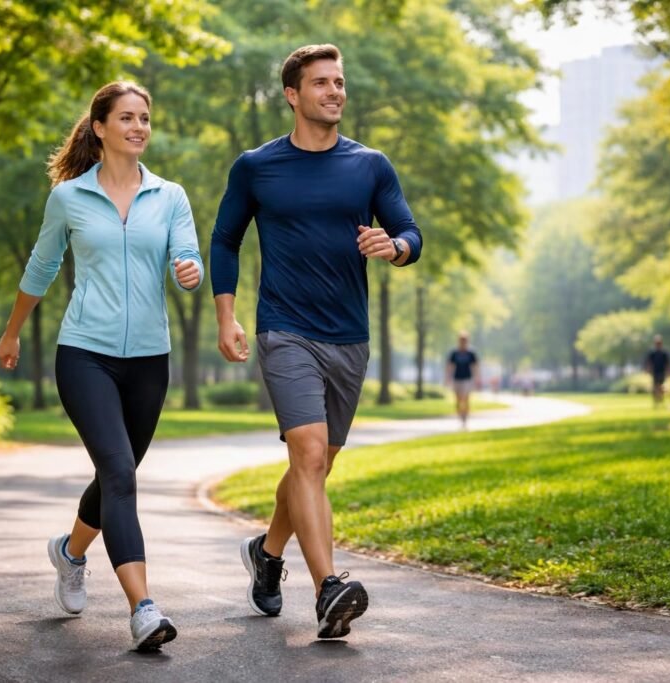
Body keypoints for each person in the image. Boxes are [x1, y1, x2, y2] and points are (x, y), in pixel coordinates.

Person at [210, 44, 423, 640]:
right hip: (285, 329)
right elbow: (225, 240)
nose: (335, 92)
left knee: (318, 465)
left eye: (340, 82)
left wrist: (396, 247)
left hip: (349, 336)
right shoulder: (256, 166)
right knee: (306, 454)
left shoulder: (370, 165)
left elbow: (409, 229)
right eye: (322, 83)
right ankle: (329, 588)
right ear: (293, 94)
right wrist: (226, 316)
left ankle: (267, 553)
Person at [0, 81, 203, 652]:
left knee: (118, 474)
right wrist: (12, 331)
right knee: (121, 475)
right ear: (101, 127)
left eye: (145, 118)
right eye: (127, 118)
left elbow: (188, 255)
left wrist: (190, 271)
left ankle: (70, 552)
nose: (139, 127)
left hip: (149, 361)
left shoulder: (171, 195)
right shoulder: (68, 197)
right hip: (85, 353)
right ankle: (143, 608)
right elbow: (42, 266)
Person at [446, 332, 480, 428]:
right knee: (458, 400)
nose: (463, 342)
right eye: (461, 340)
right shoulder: (454, 353)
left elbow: (475, 366)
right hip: (457, 379)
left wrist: (477, 379)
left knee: (466, 399)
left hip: (467, 379)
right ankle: (460, 416)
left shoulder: (471, 353)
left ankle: (465, 419)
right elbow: (450, 366)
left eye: (465, 340)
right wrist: (448, 378)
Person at [644, 334, 670, 406]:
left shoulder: (664, 353)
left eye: (659, 343)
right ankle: (656, 401)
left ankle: (661, 399)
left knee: (661, 387)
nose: (658, 344)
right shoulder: (652, 353)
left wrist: (668, 371)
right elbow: (649, 362)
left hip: (662, 372)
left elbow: (667, 363)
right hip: (655, 372)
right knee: (655, 387)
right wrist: (648, 370)